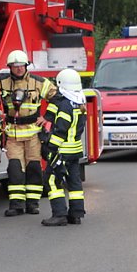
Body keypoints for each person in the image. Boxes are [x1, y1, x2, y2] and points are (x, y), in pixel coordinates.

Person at [0, 49, 59, 217]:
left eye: (21, 66)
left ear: (26, 66)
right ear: (10, 67)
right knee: (15, 169)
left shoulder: (39, 82)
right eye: (15, 66)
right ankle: (16, 205)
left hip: (33, 134)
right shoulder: (1, 83)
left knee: (34, 168)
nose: (18, 69)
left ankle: (33, 204)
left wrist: (47, 116)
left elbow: (57, 97)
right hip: (13, 134)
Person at [41, 69, 86, 226]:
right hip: (75, 150)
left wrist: (50, 147)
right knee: (74, 182)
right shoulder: (80, 102)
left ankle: (59, 215)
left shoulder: (65, 105)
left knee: (52, 180)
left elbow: (61, 130)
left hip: (62, 151)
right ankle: (76, 214)